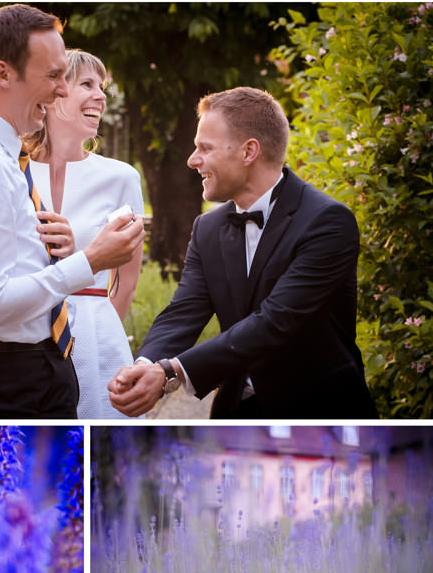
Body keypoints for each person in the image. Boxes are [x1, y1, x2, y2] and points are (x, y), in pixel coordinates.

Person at [0, 4, 144, 418]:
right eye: (52, 76)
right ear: (3, 74)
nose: (61, 90)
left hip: (26, 373)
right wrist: (91, 260)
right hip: (16, 381)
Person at [108, 86, 374, 418]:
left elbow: (275, 322)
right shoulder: (207, 228)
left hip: (320, 413)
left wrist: (171, 371)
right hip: (235, 412)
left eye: (205, 148)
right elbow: (184, 311)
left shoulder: (328, 223)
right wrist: (145, 366)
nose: (193, 160)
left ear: (249, 151)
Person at [25, 49, 144, 419]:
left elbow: (126, 281)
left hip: (97, 335)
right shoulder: (13, 173)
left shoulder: (121, 177)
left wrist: (98, 332)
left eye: (102, 86)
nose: (101, 96)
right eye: (87, 84)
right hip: (26, 331)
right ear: (56, 94)